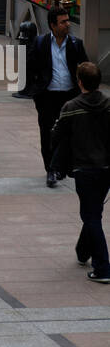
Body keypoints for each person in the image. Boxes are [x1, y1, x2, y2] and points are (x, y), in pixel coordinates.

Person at [50, 61, 110, 282]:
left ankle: (103, 267)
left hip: (84, 169)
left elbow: (55, 136)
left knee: (91, 215)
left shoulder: (71, 107)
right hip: (106, 168)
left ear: (80, 81)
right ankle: (83, 251)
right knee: (94, 211)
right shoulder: (108, 104)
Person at [26, 6, 89, 186]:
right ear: (53, 25)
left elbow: (86, 67)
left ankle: (67, 166)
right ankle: (51, 170)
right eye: (63, 22)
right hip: (47, 96)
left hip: (70, 97)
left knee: (70, 132)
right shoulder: (40, 43)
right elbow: (30, 68)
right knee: (47, 133)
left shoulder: (76, 44)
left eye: (68, 20)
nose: (67, 24)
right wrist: (36, 91)